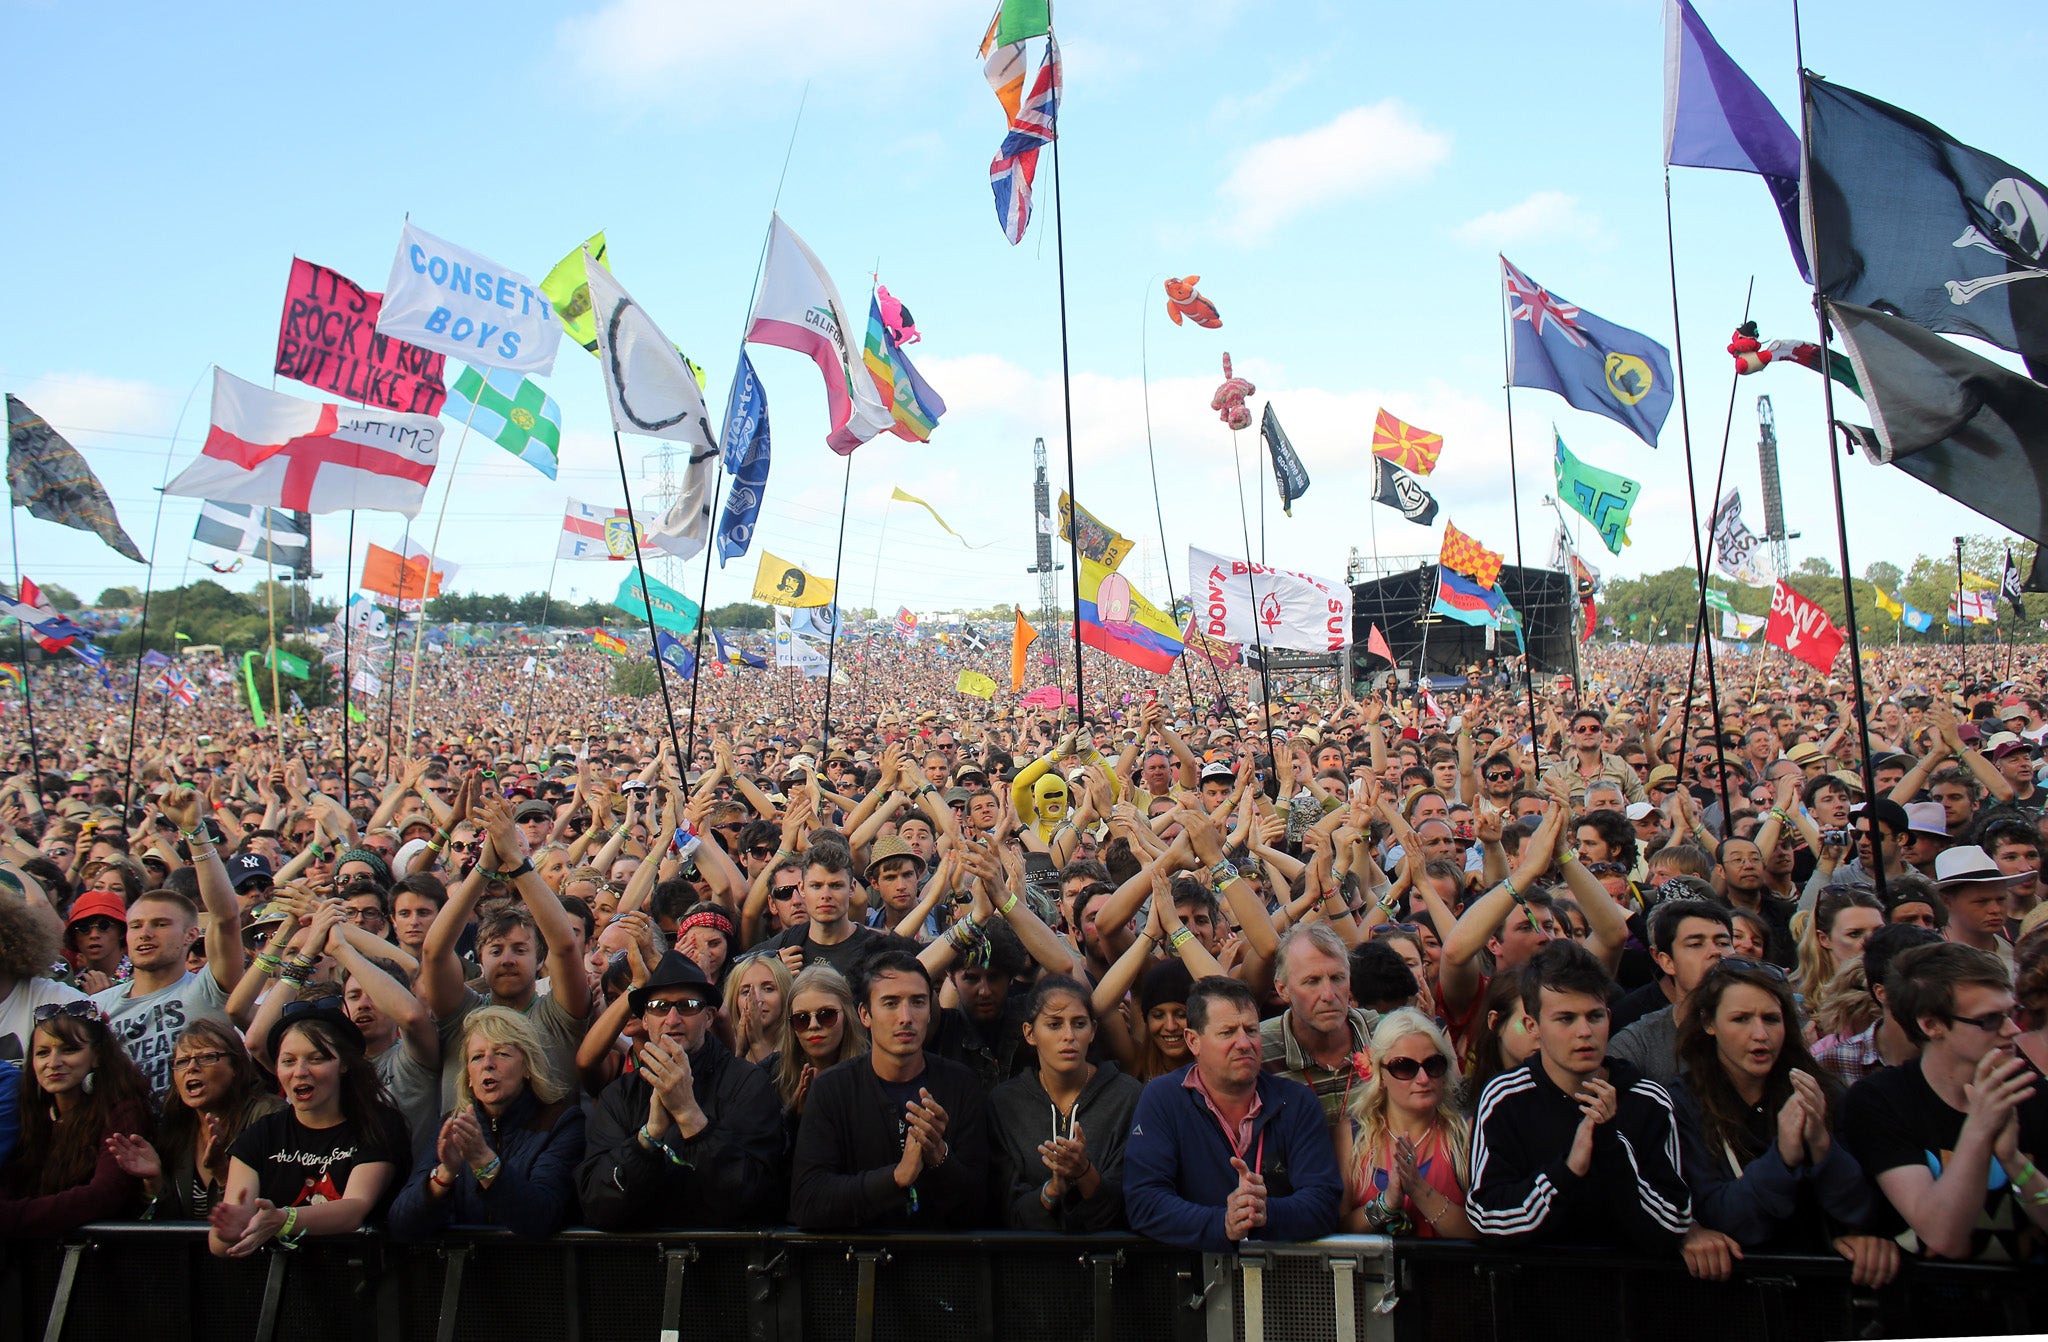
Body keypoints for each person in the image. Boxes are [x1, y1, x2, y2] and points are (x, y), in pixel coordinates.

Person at [1668, 961, 1899, 1287]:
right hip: (1732, 1295)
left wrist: (1821, 1145)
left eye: (1771, 1019)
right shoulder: (1681, 1101)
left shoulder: (1822, 1091)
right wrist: (1784, 1156)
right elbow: (1725, 1217)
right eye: (1741, 1019)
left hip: (1817, 1290)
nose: (1760, 1035)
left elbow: (1863, 1208)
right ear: (1708, 1022)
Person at [1467, 940, 1691, 1247]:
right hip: (1539, 1291)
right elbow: (1486, 1216)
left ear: (1609, 1019)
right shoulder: (1505, 1097)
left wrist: (1611, 1146)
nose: (1584, 1031)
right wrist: (1566, 1173)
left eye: (1595, 1016)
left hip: (1632, 1289)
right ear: (1534, 1026)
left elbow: (1674, 1222)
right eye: (1566, 1019)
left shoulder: (1648, 1099)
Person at [1839, 942, 2048, 1261]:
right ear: (1931, 1025)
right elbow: (1942, 1234)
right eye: (1989, 1020)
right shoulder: (1881, 1100)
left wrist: (2014, 1161)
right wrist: (1979, 1130)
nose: (2012, 1029)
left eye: (2012, 1013)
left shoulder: (2033, 1092)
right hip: (1929, 1304)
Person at [1123, 976, 1342, 1251]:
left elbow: (1323, 1202)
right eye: (1227, 1032)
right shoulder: (1161, 1099)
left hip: (1286, 1282)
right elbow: (1144, 1202)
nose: (1243, 1043)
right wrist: (1222, 1223)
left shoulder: (1297, 1102)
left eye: (1251, 1030)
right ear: (1193, 1041)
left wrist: (1265, 1212)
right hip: (1194, 1281)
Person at [578, 952, 784, 1229]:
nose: (672, 1019)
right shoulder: (619, 1095)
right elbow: (597, 1206)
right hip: (639, 1265)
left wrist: (691, 1118)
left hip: (728, 1262)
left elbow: (755, 1200)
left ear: (709, 1017)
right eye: (659, 1006)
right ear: (645, 1019)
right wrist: (646, 1140)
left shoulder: (748, 1083)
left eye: (687, 1006)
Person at [788, 949, 989, 1231]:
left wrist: (940, 1156)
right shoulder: (831, 1089)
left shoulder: (961, 1085)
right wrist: (895, 1177)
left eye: (918, 1002)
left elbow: (982, 1207)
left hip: (943, 1266)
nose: (906, 1017)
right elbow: (808, 1203)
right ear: (864, 1014)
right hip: (855, 1264)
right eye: (891, 1003)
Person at [210, 1002, 410, 1256]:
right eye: (288, 1061)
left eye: (316, 1059)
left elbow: (354, 1209)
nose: (300, 1072)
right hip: (283, 1288)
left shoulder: (378, 1125)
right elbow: (218, 1244)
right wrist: (230, 1229)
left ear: (344, 1065)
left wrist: (284, 1219)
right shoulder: (262, 1134)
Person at [92, 788, 246, 1098]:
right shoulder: (99, 1008)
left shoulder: (207, 990)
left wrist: (195, 831)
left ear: (192, 935)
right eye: (136, 926)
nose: (145, 933)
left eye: (161, 924)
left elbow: (227, 917)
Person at [389, 1006, 585, 1239]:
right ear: (469, 1078)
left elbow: (543, 1217)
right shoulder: (452, 1125)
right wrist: (445, 1174)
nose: (488, 1064)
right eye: (477, 1057)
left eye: (502, 1053)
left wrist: (485, 1162)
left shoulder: (560, 1121)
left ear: (528, 1067)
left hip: (535, 1269)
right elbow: (400, 1225)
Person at [988, 974, 1142, 1230]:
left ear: (1092, 1031)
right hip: (1028, 1261)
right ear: (1030, 1033)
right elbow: (1005, 1209)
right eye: (1054, 1025)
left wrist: (1084, 1173)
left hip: (1109, 1257)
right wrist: (1053, 1189)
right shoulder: (1005, 1103)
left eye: (1079, 1024)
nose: (1068, 1036)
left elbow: (1129, 1205)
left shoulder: (1127, 1097)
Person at [104, 1019, 281, 1220]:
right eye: (181, 1062)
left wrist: (223, 1174)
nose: (192, 1067)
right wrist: (155, 1181)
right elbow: (173, 1227)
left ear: (237, 1067)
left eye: (206, 1057)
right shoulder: (176, 1128)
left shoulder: (268, 1115)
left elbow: (271, 1208)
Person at [0, 1002, 153, 1234]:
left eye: (69, 1049)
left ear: (97, 1056)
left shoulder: (122, 1110)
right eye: (43, 1053)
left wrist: (11, 1215)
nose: (53, 1063)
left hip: (105, 1262)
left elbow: (105, 1195)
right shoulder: (34, 1112)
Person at [1335, 1008, 1476, 1238]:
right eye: (1404, 1067)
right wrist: (1387, 1202)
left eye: (1433, 1065)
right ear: (1380, 1075)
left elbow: (1480, 1232)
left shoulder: (1466, 1134)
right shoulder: (1351, 1135)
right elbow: (1339, 1228)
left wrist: (1419, 1190)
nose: (1423, 1079)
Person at [1262, 923, 1378, 1131]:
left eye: (1337, 978)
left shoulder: (1382, 1034)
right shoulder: (1259, 1049)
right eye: (1312, 981)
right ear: (1282, 989)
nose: (1328, 995)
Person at [1608, 900, 1736, 1081]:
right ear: (1667, 961)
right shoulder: (1638, 1045)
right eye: (1696, 944)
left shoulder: (1763, 1024)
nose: (1715, 952)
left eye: (1723, 943)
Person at [769, 965, 870, 1135]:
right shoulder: (772, 1074)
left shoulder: (873, 1072)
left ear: (847, 1016)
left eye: (826, 1015)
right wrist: (792, 1117)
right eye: (801, 1019)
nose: (813, 1026)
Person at [761, 844, 885, 976]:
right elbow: (738, 968)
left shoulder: (877, 949)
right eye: (816, 886)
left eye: (836, 886)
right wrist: (772, 970)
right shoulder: (787, 943)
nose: (826, 895)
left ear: (852, 888)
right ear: (802, 889)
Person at [724, 952, 792, 1067]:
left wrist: (757, 1043)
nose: (757, 1000)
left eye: (768, 989)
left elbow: (777, 1084)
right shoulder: (721, 1052)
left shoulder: (800, 1049)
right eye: (746, 992)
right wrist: (739, 1052)